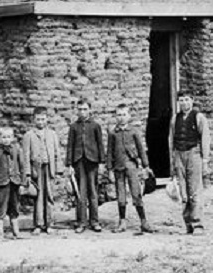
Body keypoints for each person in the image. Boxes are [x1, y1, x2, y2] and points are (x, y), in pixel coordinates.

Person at [106, 104, 154, 233]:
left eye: (124, 115)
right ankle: (122, 222)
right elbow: (109, 152)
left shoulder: (134, 131)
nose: (121, 118)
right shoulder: (113, 133)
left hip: (131, 166)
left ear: (129, 116)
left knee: (136, 193)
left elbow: (141, 150)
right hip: (118, 168)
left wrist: (146, 166)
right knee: (121, 195)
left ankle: (143, 221)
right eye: (119, 115)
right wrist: (109, 169)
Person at [168, 92, 210, 235]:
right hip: (179, 154)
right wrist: (172, 160)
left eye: (187, 100)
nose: (184, 103)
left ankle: (198, 223)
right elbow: (171, 140)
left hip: (194, 153)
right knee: (183, 192)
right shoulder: (175, 119)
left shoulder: (198, 117)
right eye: (181, 100)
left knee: (195, 190)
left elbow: (205, 139)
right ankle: (188, 223)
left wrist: (205, 161)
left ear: (192, 101)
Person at [65, 100, 105, 233]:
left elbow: (100, 144)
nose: (82, 112)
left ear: (89, 110)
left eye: (85, 109)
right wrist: (69, 164)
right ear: (77, 110)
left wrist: (102, 163)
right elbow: (70, 146)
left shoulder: (95, 126)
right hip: (79, 162)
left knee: (93, 192)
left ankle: (94, 221)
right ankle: (81, 222)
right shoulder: (73, 127)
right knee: (81, 193)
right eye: (80, 109)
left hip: (92, 161)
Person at [21, 107, 62, 235]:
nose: (40, 122)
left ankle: (49, 224)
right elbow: (26, 156)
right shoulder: (29, 135)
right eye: (38, 119)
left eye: (43, 119)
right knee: (38, 197)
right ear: (34, 119)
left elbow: (57, 153)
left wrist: (58, 171)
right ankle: (38, 224)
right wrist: (27, 173)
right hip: (36, 169)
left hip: (49, 168)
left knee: (49, 196)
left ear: (47, 119)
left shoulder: (52, 134)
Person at [0, 126, 27, 241]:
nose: (6, 139)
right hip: (2, 184)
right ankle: (0, 235)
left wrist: (23, 184)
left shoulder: (17, 150)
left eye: (9, 137)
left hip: (15, 183)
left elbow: (23, 167)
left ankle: (16, 232)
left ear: (13, 138)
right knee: (2, 208)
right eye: (3, 137)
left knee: (14, 207)